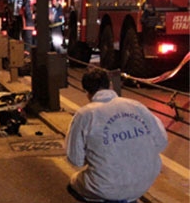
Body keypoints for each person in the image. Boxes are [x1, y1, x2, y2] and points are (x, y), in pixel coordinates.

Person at [66, 68, 168, 203]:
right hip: (145, 181)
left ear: (86, 92)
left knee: (73, 184)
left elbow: (75, 159)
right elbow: (161, 141)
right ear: (110, 85)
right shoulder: (136, 105)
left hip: (105, 186)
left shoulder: (85, 115)